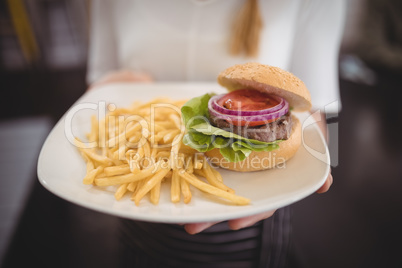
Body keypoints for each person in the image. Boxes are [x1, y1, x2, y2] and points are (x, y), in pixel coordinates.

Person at [87, 0, 345, 267]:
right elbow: (103, 82)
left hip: (255, 224)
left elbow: (315, 109)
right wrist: (109, 90)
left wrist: (300, 177)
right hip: (140, 209)